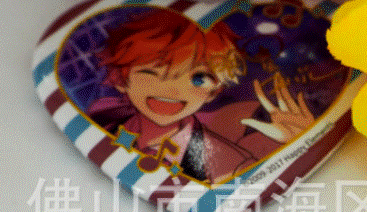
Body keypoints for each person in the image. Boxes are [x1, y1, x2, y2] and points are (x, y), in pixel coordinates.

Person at [87, 10, 314, 183]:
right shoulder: (99, 120)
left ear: (213, 91)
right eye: (152, 73)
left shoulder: (230, 166)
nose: (173, 92)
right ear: (120, 79)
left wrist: (301, 145)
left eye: (197, 79)